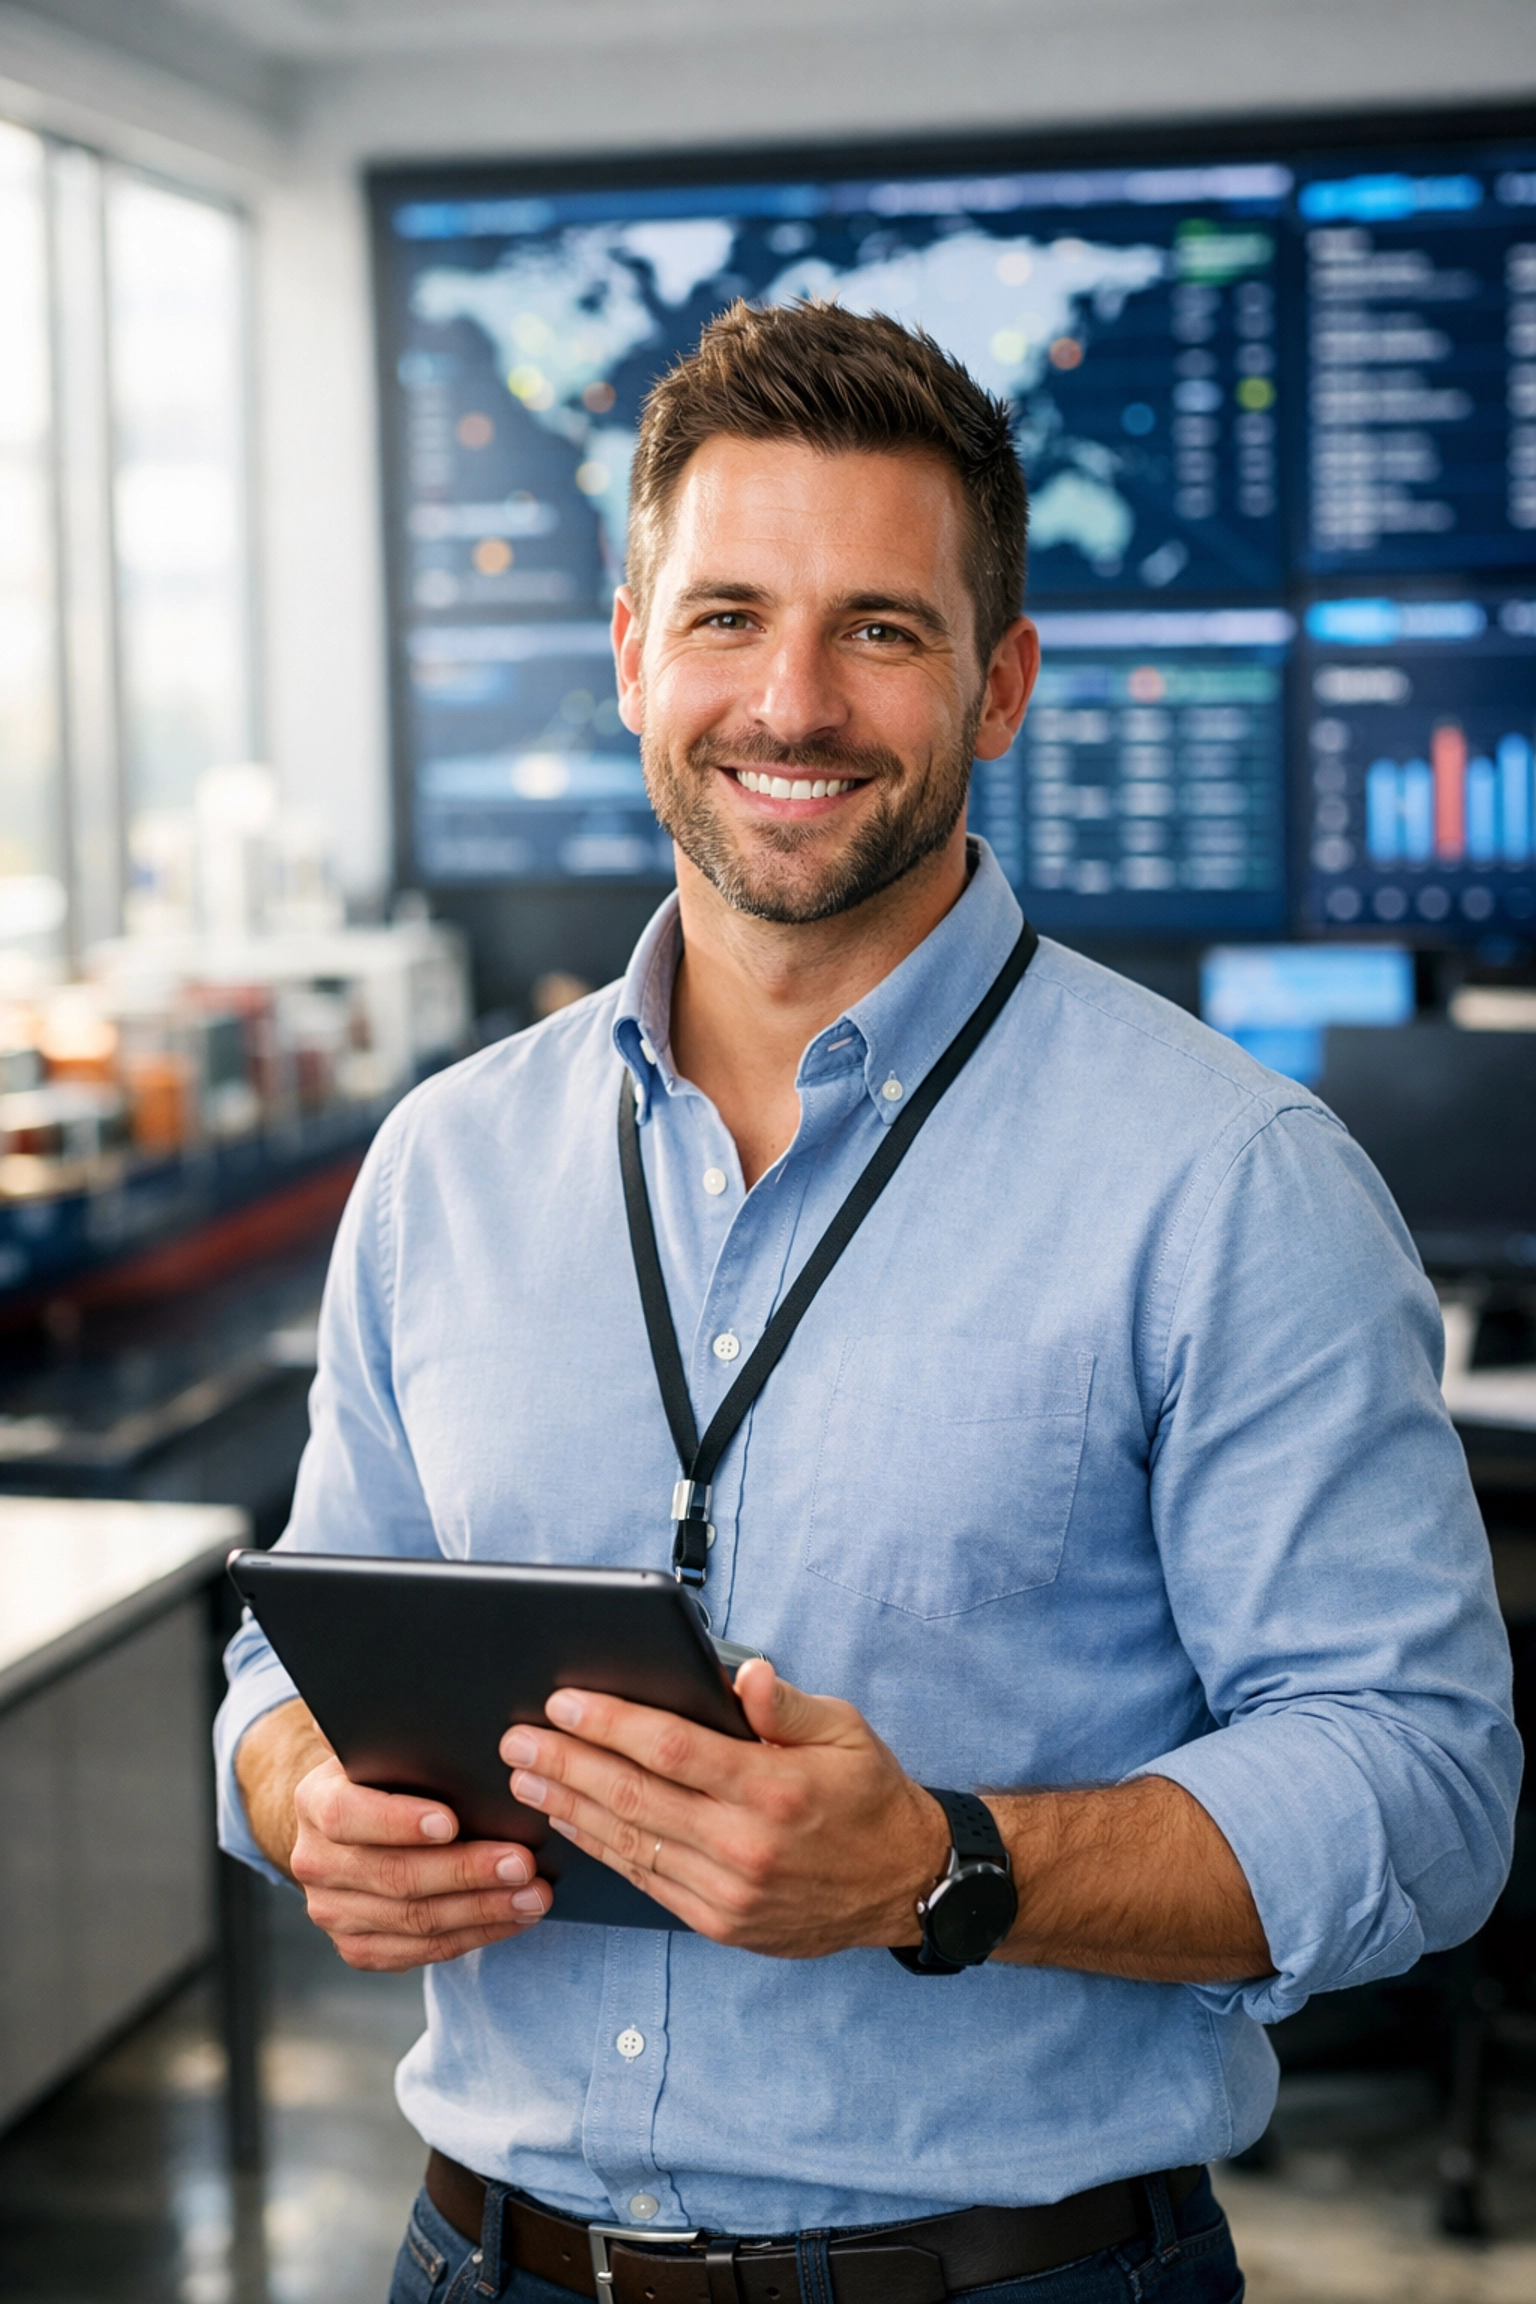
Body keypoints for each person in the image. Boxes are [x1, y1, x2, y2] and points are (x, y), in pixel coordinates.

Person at [216, 301, 1519, 2304]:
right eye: (727, 615)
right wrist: (303, 1790)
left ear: (1000, 684)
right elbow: (291, 1650)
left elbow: (1424, 1793)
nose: (791, 701)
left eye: (880, 631)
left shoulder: (1231, 1183)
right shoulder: (445, 1166)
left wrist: (940, 1866)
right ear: (635, 649)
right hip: (479, 2259)